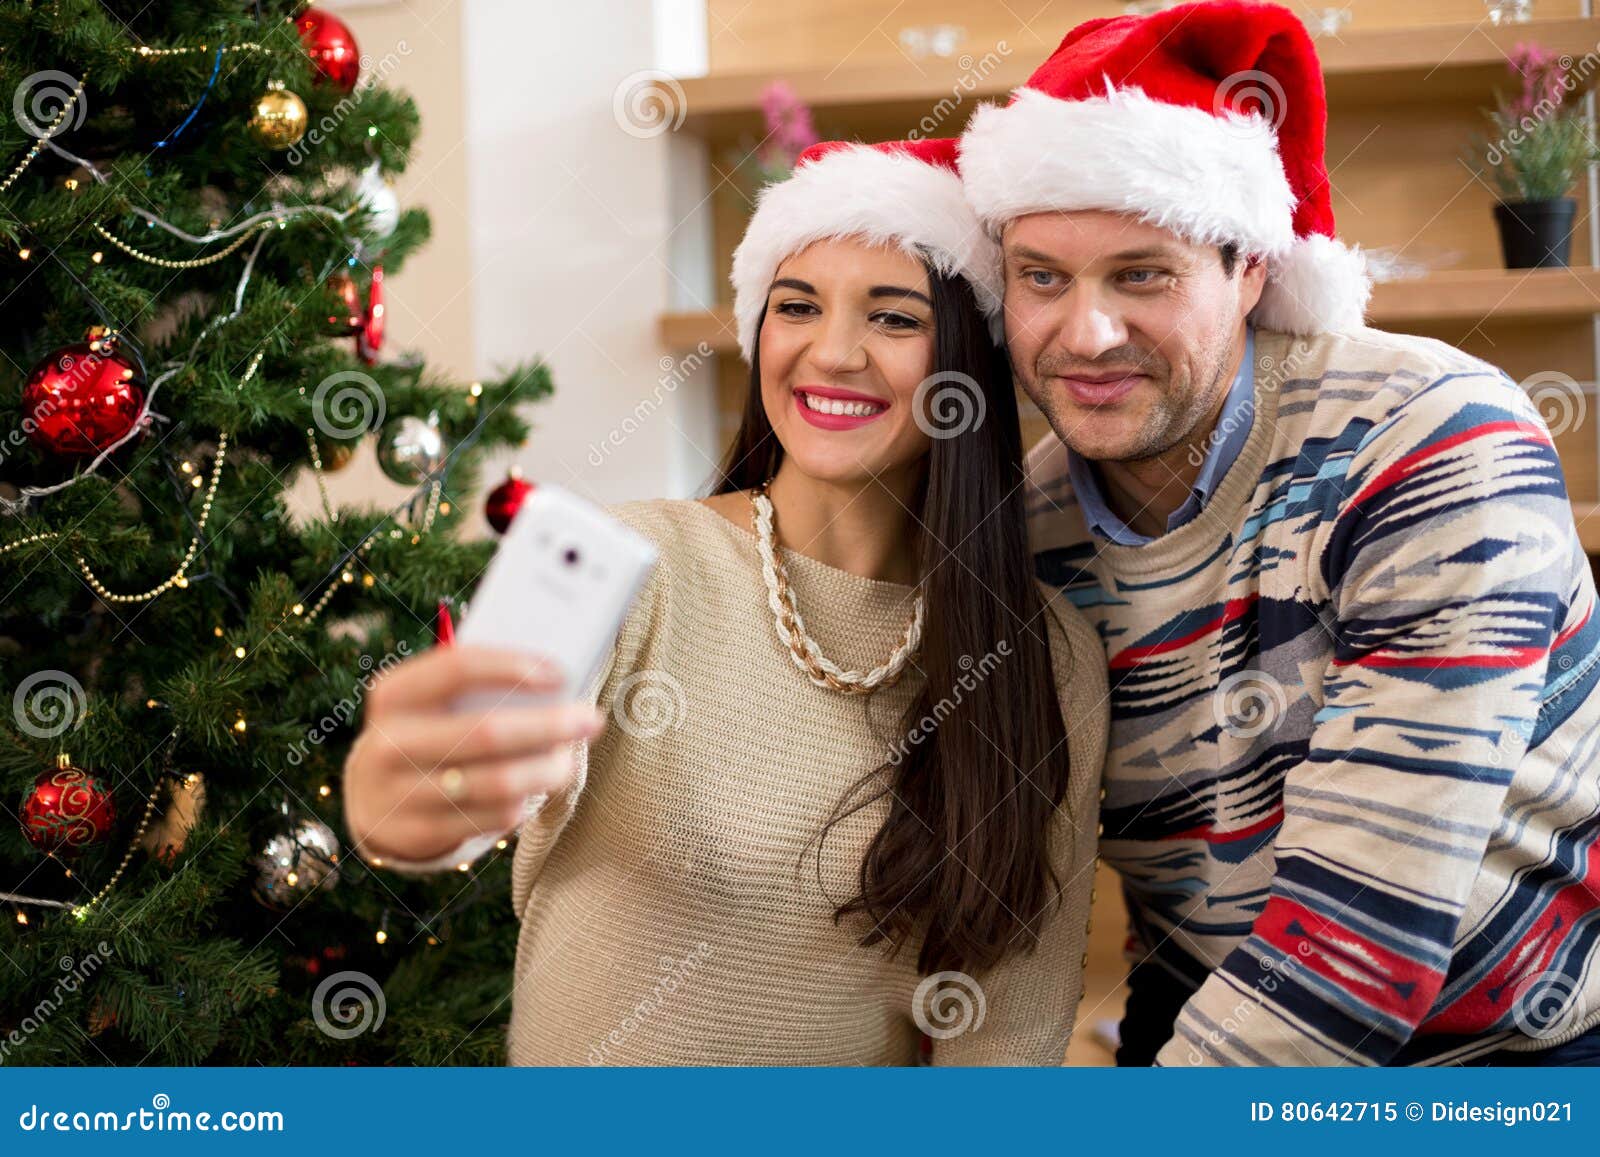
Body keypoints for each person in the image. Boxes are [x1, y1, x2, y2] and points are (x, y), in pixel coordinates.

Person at [341, 138, 1109, 1065]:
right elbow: (459, 782)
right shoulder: (639, 568)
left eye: (894, 319)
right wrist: (410, 794)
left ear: (969, 367)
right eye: (796, 306)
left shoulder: (1044, 657)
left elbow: (1007, 1044)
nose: (832, 352)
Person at [957, 0, 1600, 1066]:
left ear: (1250, 267)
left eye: (1141, 273)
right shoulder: (1022, 527)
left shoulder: (1431, 436)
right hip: (1209, 1010)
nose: (1086, 333)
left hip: (1520, 1045)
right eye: (1042, 277)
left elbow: (1362, 929)